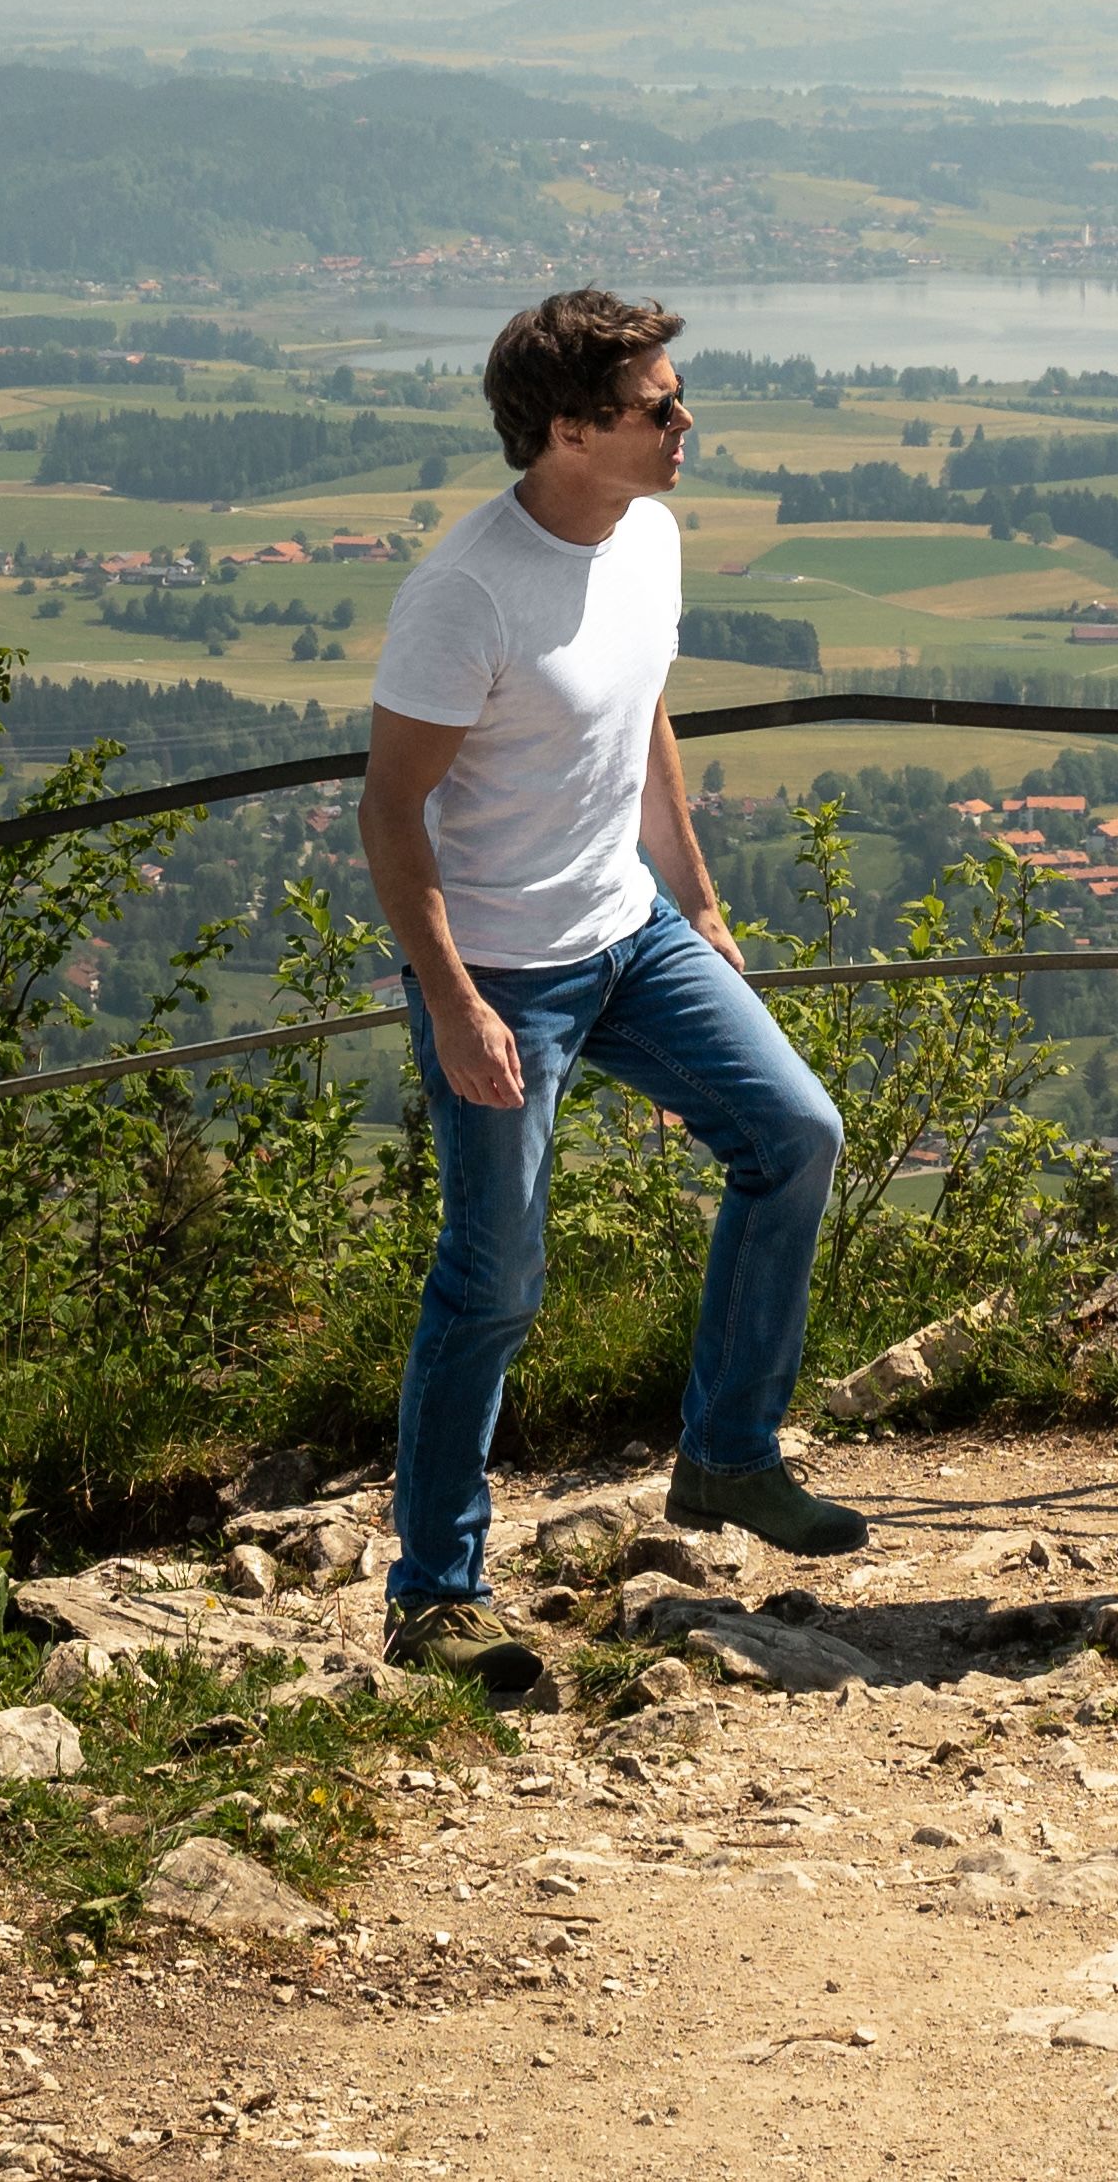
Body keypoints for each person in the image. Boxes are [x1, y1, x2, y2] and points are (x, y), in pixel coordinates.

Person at [360, 286, 859, 1684]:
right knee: (494, 1276)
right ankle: (436, 1589)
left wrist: (694, 899)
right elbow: (392, 812)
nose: (687, 421)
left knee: (796, 1135)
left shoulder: (651, 533)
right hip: (506, 971)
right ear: (571, 429)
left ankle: (728, 1456)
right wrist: (453, 1000)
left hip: (631, 935)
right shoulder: (466, 590)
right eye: (660, 405)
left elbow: (646, 718)